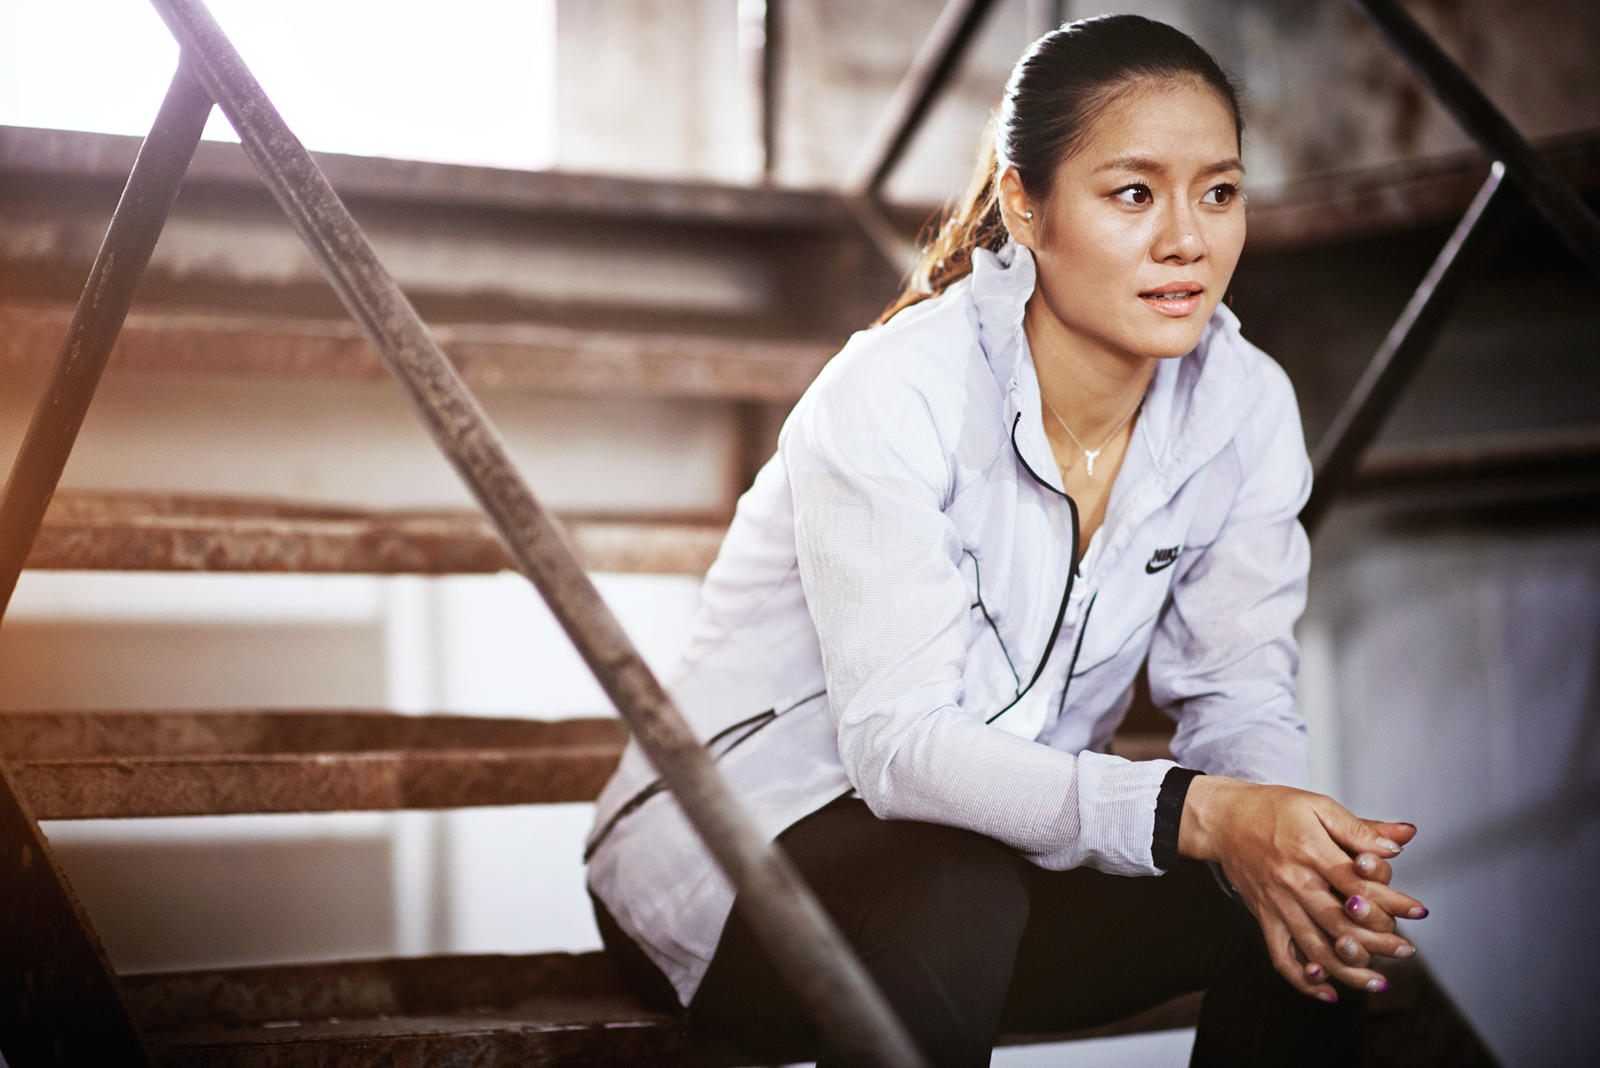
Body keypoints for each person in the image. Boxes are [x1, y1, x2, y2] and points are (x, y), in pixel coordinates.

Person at [585, 13, 1426, 1067]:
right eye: (1133, 194)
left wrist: (1278, 834)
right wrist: (1201, 814)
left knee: (1312, 914)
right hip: (734, 860)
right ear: (1025, 205)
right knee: (953, 893)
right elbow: (899, 749)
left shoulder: (1243, 406)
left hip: (994, 859)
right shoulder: (898, 390)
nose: (1188, 240)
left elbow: (1239, 693)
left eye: (1218, 192)